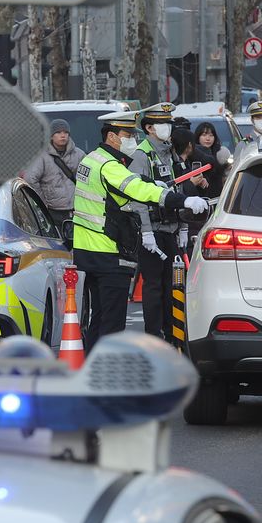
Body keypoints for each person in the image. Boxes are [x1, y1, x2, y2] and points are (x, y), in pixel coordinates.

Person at [72, 111, 210, 351]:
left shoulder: (91, 159)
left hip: (88, 250)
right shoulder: (109, 165)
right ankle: (106, 373)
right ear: (112, 137)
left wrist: (150, 182)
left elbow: (122, 188)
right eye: (127, 135)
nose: (132, 140)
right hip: (109, 251)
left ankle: (91, 364)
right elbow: (135, 189)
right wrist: (182, 201)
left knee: (100, 316)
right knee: (113, 322)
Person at [129, 103, 180, 344]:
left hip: (171, 227)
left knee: (171, 285)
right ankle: (153, 335)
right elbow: (136, 195)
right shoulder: (142, 154)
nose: (167, 127)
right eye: (162, 123)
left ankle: (172, 334)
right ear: (149, 128)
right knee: (153, 287)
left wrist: (183, 225)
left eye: (169, 122)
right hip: (153, 230)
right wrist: (146, 232)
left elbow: (176, 188)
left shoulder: (170, 151)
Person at [21, 118, 84, 234]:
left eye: (65, 132)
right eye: (58, 132)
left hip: (77, 209)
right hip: (52, 211)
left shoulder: (79, 154)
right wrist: (42, 202)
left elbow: (86, 179)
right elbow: (30, 179)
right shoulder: (42, 156)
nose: (63, 135)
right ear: (51, 136)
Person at [195, 122, 231, 197]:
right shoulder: (192, 153)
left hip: (218, 195)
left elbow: (228, 176)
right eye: (204, 135)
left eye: (211, 135)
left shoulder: (221, 153)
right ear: (198, 136)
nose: (208, 139)